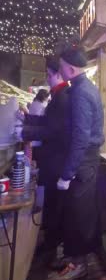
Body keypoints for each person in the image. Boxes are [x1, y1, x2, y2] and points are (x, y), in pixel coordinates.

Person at [47, 48, 105, 280]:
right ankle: (75, 259)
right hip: (87, 159)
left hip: (83, 161)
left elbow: (81, 136)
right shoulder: (86, 87)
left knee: (78, 214)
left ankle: (79, 265)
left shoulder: (80, 92)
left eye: (61, 67)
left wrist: (67, 173)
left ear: (70, 68)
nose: (60, 71)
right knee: (79, 213)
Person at [18, 57, 71, 266]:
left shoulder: (62, 97)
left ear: (58, 74)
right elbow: (48, 123)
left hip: (57, 160)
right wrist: (28, 120)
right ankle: (49, 245)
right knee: (51, 204)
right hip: (53, 159)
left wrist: (24, 131)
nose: (47, 80)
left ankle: (52, 249)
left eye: (49, 75)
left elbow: (53, 130)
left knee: (55, 206)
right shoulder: (58, 96)